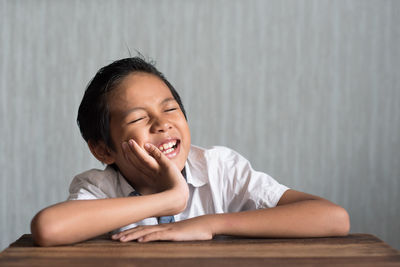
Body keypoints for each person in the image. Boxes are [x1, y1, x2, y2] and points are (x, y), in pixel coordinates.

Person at [30, 57, 350, 246]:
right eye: (139, 118)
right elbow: (48, 228)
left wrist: (210, 223)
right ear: (102, 148)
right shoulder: (99, 188)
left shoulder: (219, 168)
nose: (162, 124)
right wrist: (170, 198)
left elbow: (333, 219)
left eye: (170, 110)